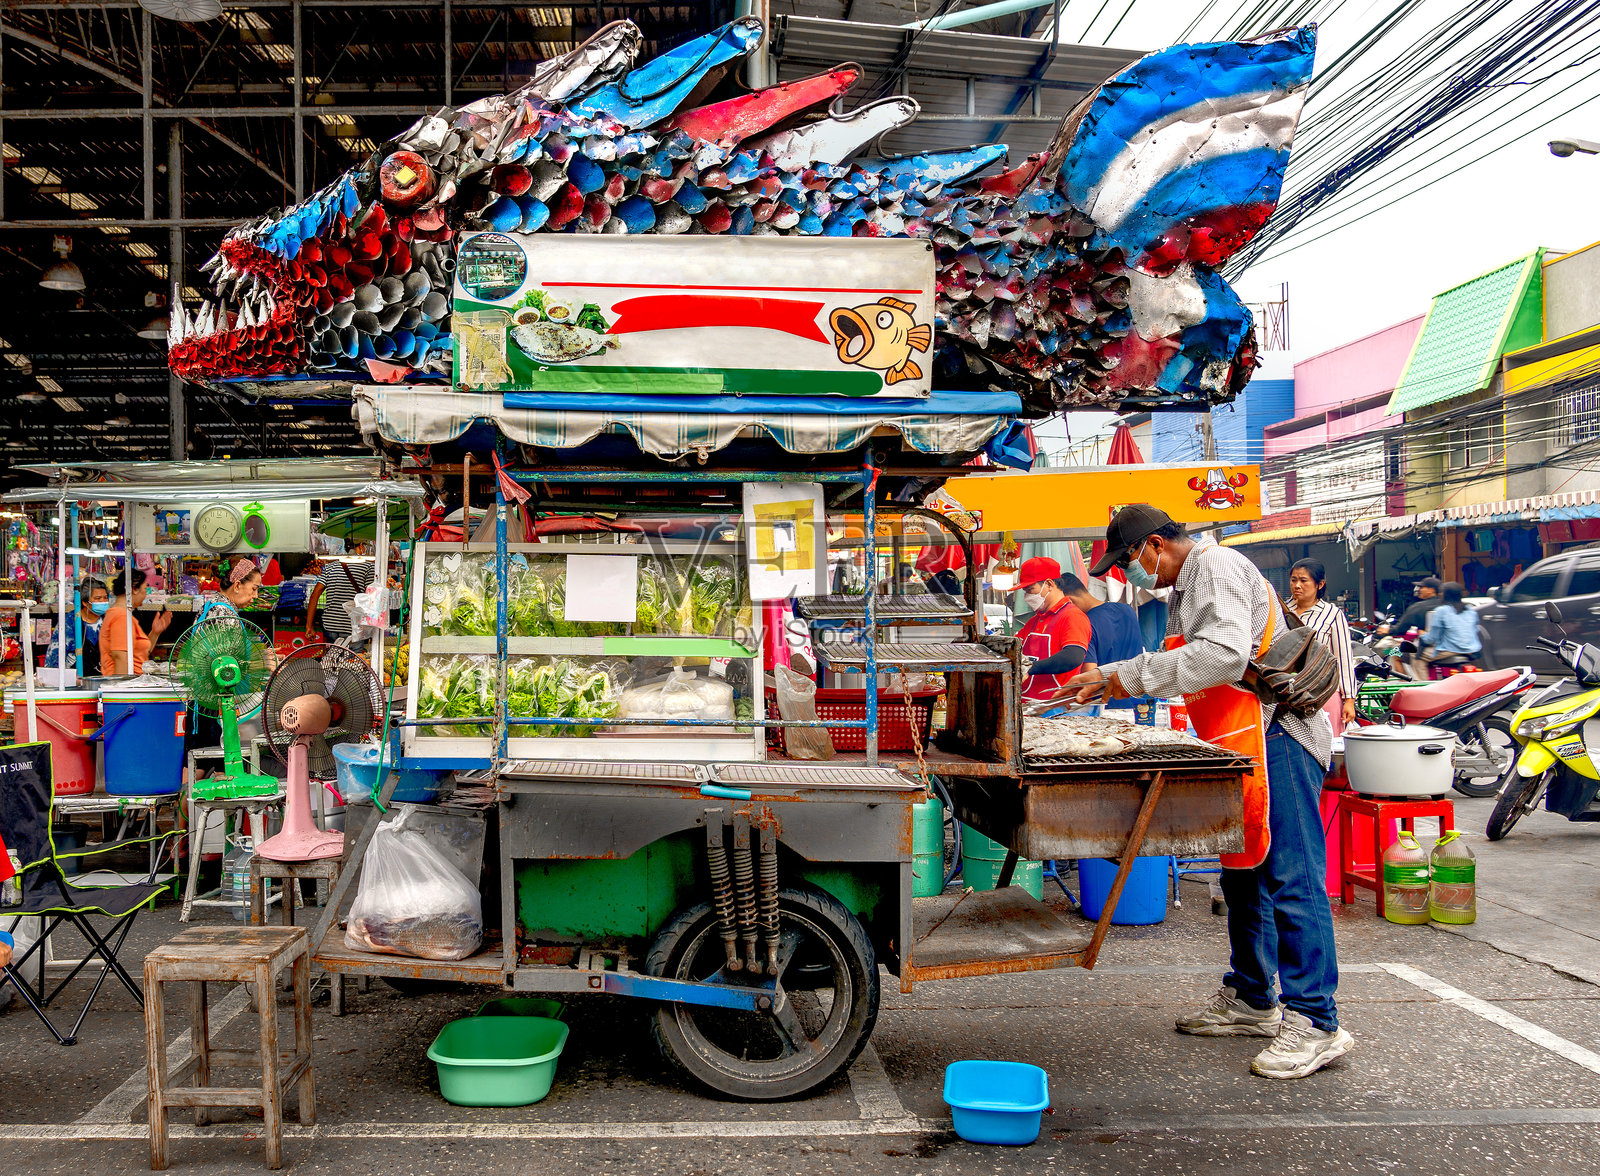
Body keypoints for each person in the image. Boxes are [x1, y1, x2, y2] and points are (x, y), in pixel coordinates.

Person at [1070, 505, 1351, 1080]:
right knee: (1244, 874)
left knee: (1292, 878)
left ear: (1155, 545)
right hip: (1238, 741)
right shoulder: (1185, 586)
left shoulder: (1215, 566)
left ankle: (1317, 1021)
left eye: (1127, 562)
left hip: (1280, 737)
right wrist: (1120, 677)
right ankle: (1253, 998)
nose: (1126, 574)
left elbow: (1222, 656)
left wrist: (1123, 676)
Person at [1041, 574, 1146, 713]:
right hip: (1138, 703)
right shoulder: (1127, 610)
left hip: (1106, 707)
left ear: (1069, 601)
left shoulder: (1084, 625)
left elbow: (1089, 678)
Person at [1287, 559, 1357, 729]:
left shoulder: (1332, 614)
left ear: (1320, 584)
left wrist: (1349, 700)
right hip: (1286, 693)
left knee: (1327, 740)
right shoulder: (1282, 610)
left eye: (1303, 580)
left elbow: (1343, 658)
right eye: (1293, 580)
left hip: (1323, 693)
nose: (1297, 585)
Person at [1013, 557, 1091, 702]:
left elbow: (1073, 656)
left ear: (1049, 584)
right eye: (1025, 592)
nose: (1027, 597)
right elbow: (1012, 648)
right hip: (1027, 704)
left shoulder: (1072, 616)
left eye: (1030, 590)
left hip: (1055, 705)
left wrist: (1031, 668)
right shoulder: (1034, 621)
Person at [100, 570, 172, 676]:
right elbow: (120, 657)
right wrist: (125, 685)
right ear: (134, 589)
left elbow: (140, 654)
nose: (146, 594)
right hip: (125, 682)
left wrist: (155, 633)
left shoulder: (121, 615)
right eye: (145, 589)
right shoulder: (121, 616)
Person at [43, 577, 111, 679]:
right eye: (98, 598)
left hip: (105, 678)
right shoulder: (70, 622)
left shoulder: (108, 620)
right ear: (84, 602)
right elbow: (54, 655)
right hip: (75, 679)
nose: (103, 601)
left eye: (105, 598)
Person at [306, 557, 375, 646]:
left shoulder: (330, 567)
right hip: (353, 628)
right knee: (353, 655)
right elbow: (371, 598)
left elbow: (315, 594)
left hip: (330, 626)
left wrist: (309, 626)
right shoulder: (369, 567)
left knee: (332, 654)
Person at [1420, 581, 1481, 667]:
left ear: (1445, 595)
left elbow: (1432, 637)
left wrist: (1422, 637)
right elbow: (1475, 630)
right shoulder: (1470, 610)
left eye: (1441, 592)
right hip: (1472, 650)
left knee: (1415, 655)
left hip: (1450, 650)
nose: (1440, 594)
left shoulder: (1442, 611)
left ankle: (1420, 676)